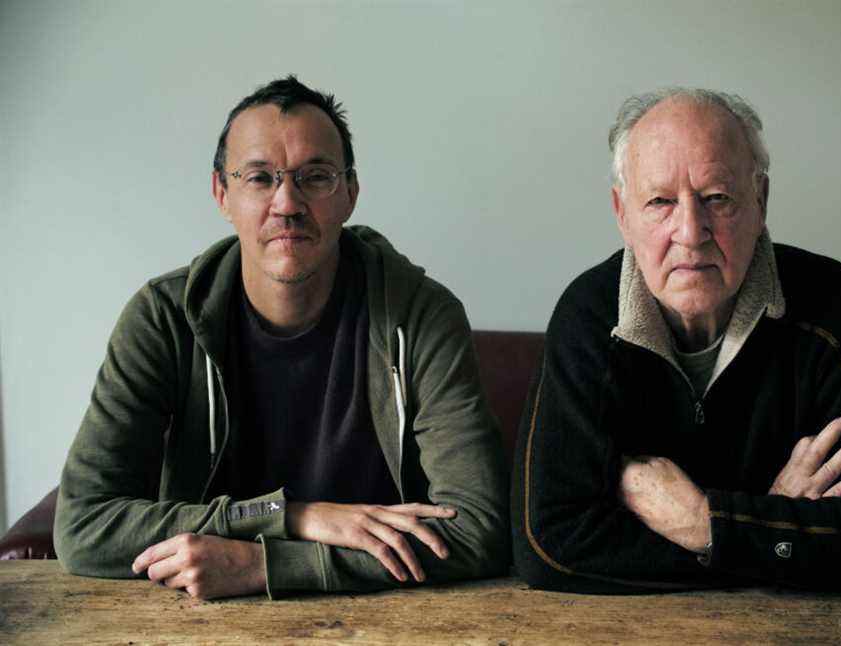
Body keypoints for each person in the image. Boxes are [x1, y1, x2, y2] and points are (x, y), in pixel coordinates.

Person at [54, 76, 508, 600]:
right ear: (222, 193)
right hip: (198, 622)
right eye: (259, 177)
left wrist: (266, 565)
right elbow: (84, 525)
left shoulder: (422, 316)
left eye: (315, 177)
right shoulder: (162, 319)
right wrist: (291, 517)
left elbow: (479, 528)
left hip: (385, 619)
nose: (287, 202)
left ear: (350, 195)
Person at [511, 88, 841, 592]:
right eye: (660, 202)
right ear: (621, 214)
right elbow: (547, 546)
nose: (691, 232)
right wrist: (769, 530)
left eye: (717, 198)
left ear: (760, 201)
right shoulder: (589, 314)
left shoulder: (833, 303)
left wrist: (705, 523)